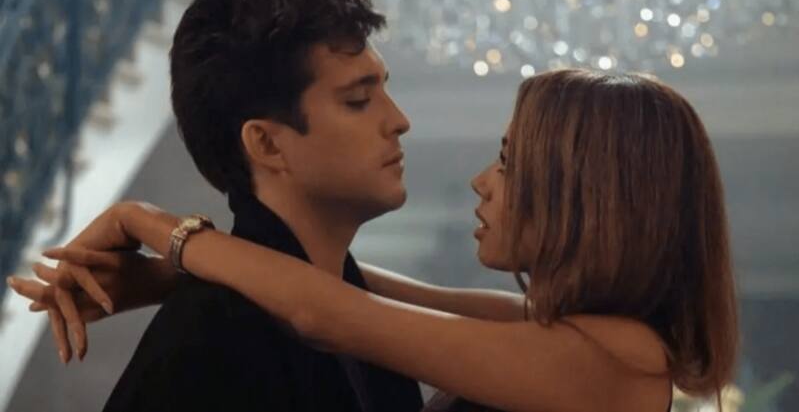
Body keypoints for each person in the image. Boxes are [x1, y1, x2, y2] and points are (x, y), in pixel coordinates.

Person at [11, 69, 739, 412]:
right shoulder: (570, 335)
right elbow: (346, 285)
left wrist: (149, 222)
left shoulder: (616, 362)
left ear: (585, 197)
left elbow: (328, 314)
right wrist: (169, 277)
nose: (483, 182)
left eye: (510, 162)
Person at [7, 0, 428, 411]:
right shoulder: (212, 342)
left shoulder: (363, 323)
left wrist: (169, 247)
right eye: (358, 100)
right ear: (266, 144)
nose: (399, 120)